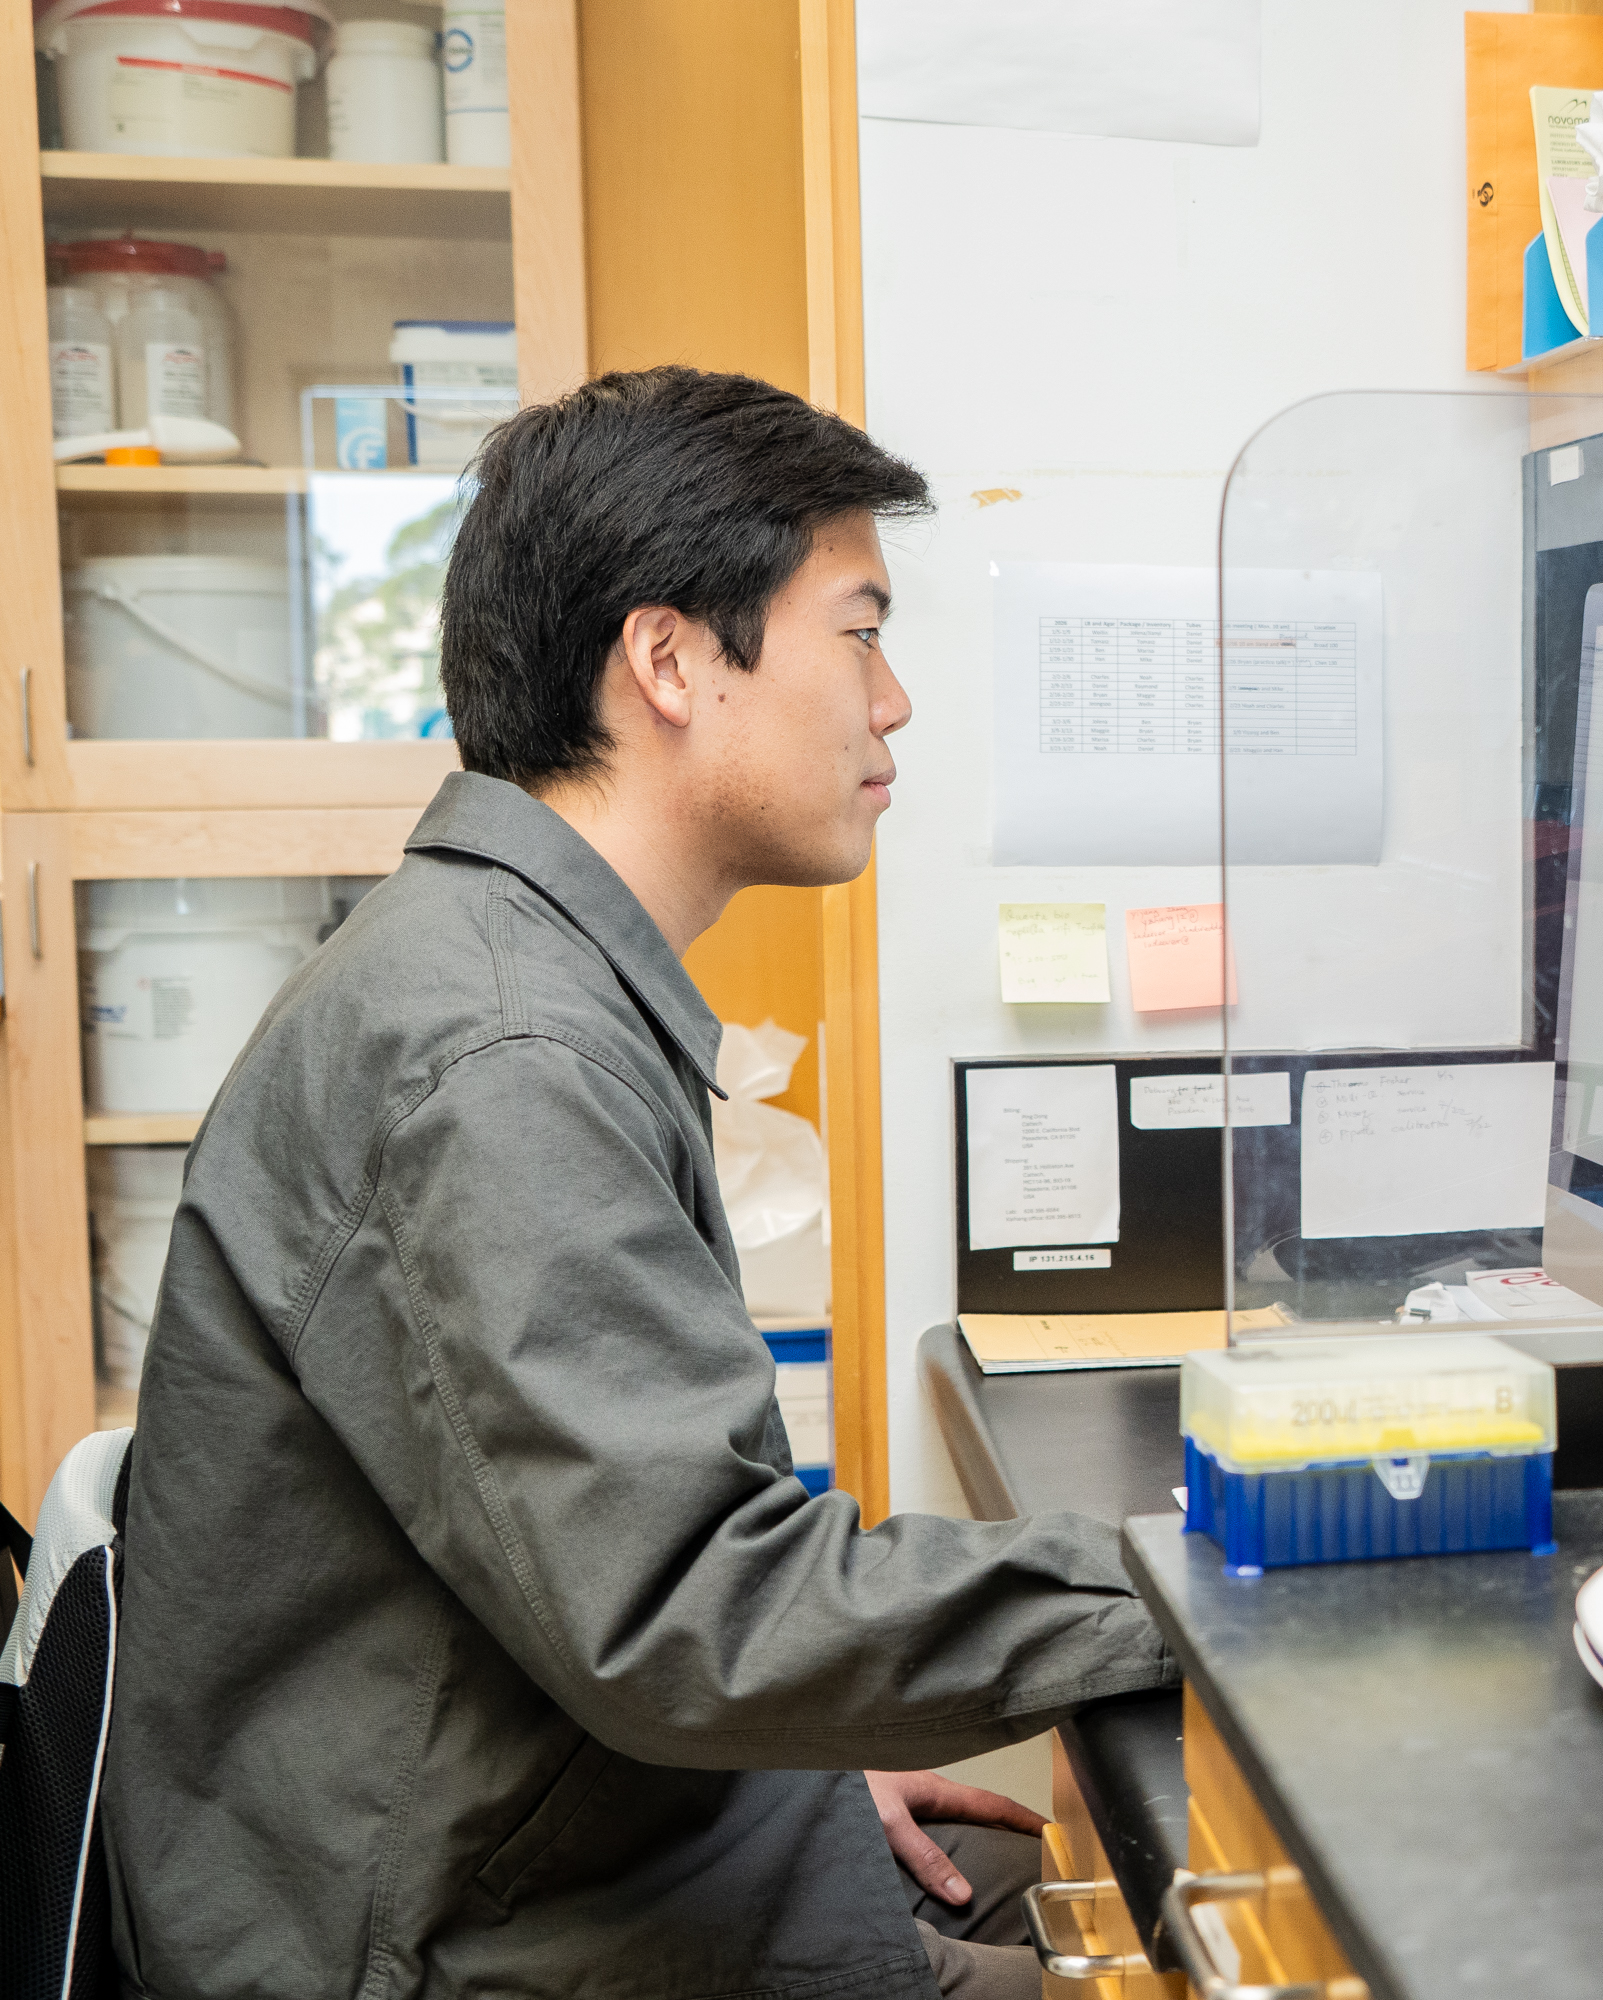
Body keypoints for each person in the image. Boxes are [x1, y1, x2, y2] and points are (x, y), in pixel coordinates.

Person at [104, 367, 1178, 2000]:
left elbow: (614, 1583)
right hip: (433, 1944)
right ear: (668, 659)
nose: (891, 705)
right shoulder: (500, 1048)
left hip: (502, 1825)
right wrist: (1192, 1578)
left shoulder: (502, 976)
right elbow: (693, 1613)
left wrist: (781, 1768)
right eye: (860, 631)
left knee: (1049, 1877)